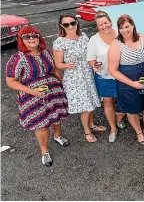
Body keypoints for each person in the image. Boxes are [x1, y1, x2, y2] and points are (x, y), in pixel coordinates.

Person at [6, 26, 69, 166]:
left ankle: (58, 136)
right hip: (32, 96)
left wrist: (62, 83)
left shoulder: (46, 52)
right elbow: (10, 81)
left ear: (39, 37)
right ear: (21, 40)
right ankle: (44, 151)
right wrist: (31, 91)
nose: (31, 39)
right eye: (26, 37)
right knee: (41, 124)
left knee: (56, 116)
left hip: (52, 90)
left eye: (34, 35)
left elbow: (54, 69)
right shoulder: (17, 58)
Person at [107, 15, 144, 145]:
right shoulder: (116, 44)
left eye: (127, 26)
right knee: (132, 109)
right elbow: (112, 70)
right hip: (127, 81)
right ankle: (139, 133)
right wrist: (132, 83)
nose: (124, 30)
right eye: (121, 27)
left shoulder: (141, 37)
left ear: (133, 25)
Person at [53, 13, 102, 143]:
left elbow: (91, 54)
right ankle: (87, 131)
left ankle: (92, 125)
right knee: (85, 106)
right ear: (61, 26)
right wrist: (66, 65)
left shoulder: (84, 36)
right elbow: (57, 64)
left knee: (91, 102)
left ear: (76, 22)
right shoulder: (59, 42)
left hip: (88, 74)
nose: (70, 26)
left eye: (72, 23)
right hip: (74, 78)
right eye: (66, 24)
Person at [87, 11, 126, 143]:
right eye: (100, 24)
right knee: (108, 102)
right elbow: (91, 60)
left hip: (123, 75)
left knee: (125, 100)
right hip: (105, 76)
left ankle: (120, 117)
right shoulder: (94, 40)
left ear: (110, 22)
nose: (104, 26)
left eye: (105, 23)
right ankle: (113, 129)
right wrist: (94, 64)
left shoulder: (121, 33)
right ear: (97, 27)